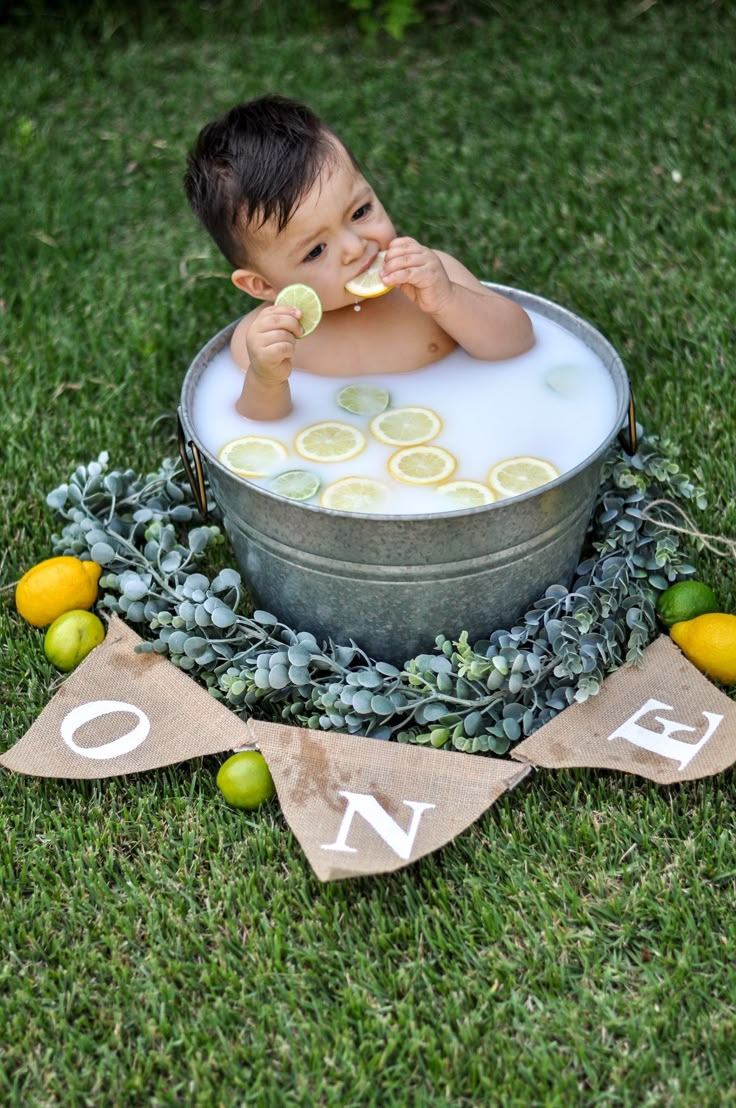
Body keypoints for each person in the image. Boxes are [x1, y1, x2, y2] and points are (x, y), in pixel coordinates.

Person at [184, 95, 534, 421]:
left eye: (360, 211)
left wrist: (449, 300)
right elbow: (259, 427)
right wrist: (265, 378)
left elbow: (516, 343)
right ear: (261, 284)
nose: (355, 247)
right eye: (316, 250)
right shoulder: (265, 341)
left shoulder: (434, 278)